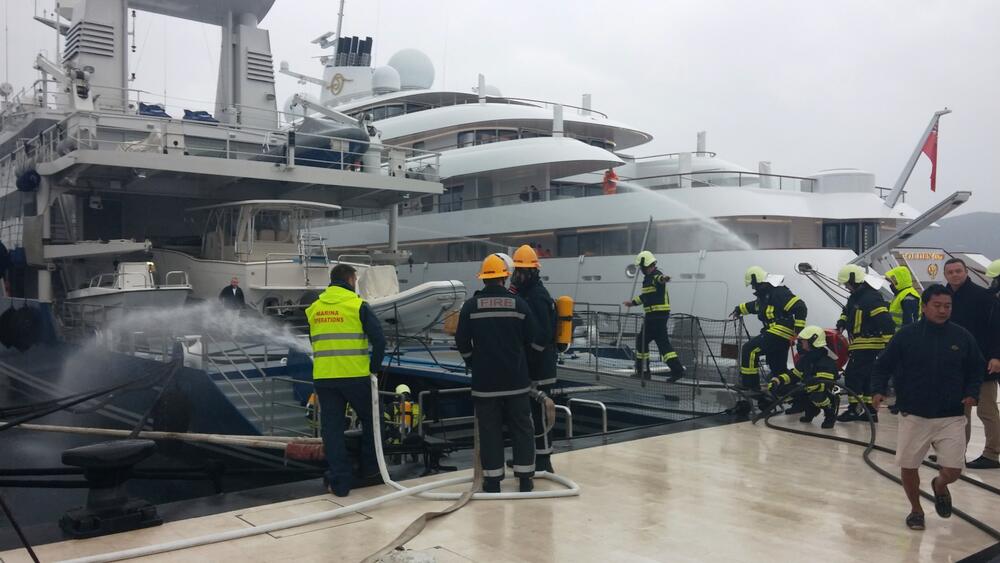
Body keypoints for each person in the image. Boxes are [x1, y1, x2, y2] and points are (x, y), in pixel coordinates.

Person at [872, 284, 984, 530]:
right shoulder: (906, 335)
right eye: (937, 305)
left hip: (951, 415)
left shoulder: (962, 336)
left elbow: (977, 368)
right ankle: (916, 510)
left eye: (948, 306)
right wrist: (878, 389)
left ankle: (940, 485)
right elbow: (883, 365)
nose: (943, 310)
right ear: (924, 307)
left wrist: (971, 393)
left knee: (954, 469)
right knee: (909, 466)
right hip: (914, 413)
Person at [455, 254, 541, 493]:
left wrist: (473, 362)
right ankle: (525, 479)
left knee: (489, 430)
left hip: (485, 382)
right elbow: (532, 338)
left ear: (483, 279)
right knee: (522, 427)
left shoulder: (471, 306)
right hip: (516, 381)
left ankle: (492, 481)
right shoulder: (519, 304)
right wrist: (522, 362)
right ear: (505, 277)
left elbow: (461, 341)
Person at [305, 264, 386, 497]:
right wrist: (373, 369)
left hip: (325, 377)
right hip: (356, 376)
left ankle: (340, 481)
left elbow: (315, 342)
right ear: (350, 279)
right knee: (373, 420)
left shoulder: (314, 309)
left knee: (332, 429)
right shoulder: (358, 306)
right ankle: (372, 470)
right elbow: (379, 342)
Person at [943, 258, 1000, 469]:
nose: (955, 275)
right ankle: (956, 453)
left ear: (966, 272)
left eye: (958, 271)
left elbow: (996, 329)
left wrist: (996, 356)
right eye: (950, 272)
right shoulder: (942, 297)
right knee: (958, 414)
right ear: (946, 275)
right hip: (955, 366)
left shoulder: (984, 298)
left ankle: (992, 454)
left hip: (983, 363)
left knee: (986, 410)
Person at [511, 244, 558, 473]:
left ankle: (544, 461)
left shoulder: (538, 297)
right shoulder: (527, 293)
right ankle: (530, 457)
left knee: (540, 415)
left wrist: (528, 357)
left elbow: (543, 335)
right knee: (528, 416)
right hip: (532, 367)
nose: (516, 276)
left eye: (520, 271)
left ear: (530, 272)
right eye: (515, 270)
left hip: (540, 368)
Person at [730, 266, 807, 400]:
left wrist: (797, 332)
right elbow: (754, 307)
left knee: (749, 349)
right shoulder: (765, 297)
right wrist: (739, 309)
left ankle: (751, 386)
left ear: (758, 281)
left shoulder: (779, 293)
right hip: (777, 334)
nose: (753, 288)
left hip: (780, 331)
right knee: (778, 370)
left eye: (753, 285)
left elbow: (800, 307)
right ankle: (797, 398)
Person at [835, 264, 895, 423]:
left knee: (852, 377)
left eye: (847, 283)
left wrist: (890, 348)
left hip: (868, 344)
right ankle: (870, 412)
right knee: (867, 378)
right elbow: (846, 312)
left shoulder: (871, 298)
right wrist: (841, 322)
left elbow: (886, 322)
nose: (846, 287)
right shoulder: (856, 297)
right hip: (860, 344)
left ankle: (854, 410)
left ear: (854, 280)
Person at [624, 251, 685, 381]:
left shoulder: (656, 276)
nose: (641, 270)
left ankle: (644, 372)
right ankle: (677, 370)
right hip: (656, 316)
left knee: (642, 341)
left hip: (655, 316)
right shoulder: (647, 279)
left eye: (642, 267)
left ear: (647, 265)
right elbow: (645, 297)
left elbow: (661, 279)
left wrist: (665, 279)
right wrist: (632, 303)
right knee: (663, 344)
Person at [767, 325, 839, 428]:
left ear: (813, 341)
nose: (800, 344)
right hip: (809, 389)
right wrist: (778, 380)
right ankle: (810, 409)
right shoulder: (806, 359)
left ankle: (830, 414)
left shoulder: (826, 362)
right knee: (781, 389)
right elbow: (794, 375)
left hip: (827, 393)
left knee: (817, 394)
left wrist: (815, 385)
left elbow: (827, 384)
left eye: (803, 341)